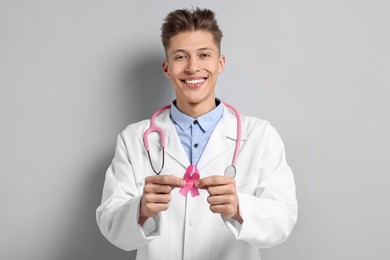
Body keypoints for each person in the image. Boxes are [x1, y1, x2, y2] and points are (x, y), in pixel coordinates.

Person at [96, 7, 297, 260]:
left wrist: (239, 208)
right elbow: (110, 222)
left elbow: (284, 219)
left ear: (220, 63)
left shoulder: (260, 136)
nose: (193, 67)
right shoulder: (134, 139)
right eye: (180, 57)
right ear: (167, 67)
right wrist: (140, 210)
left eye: (204, 55)